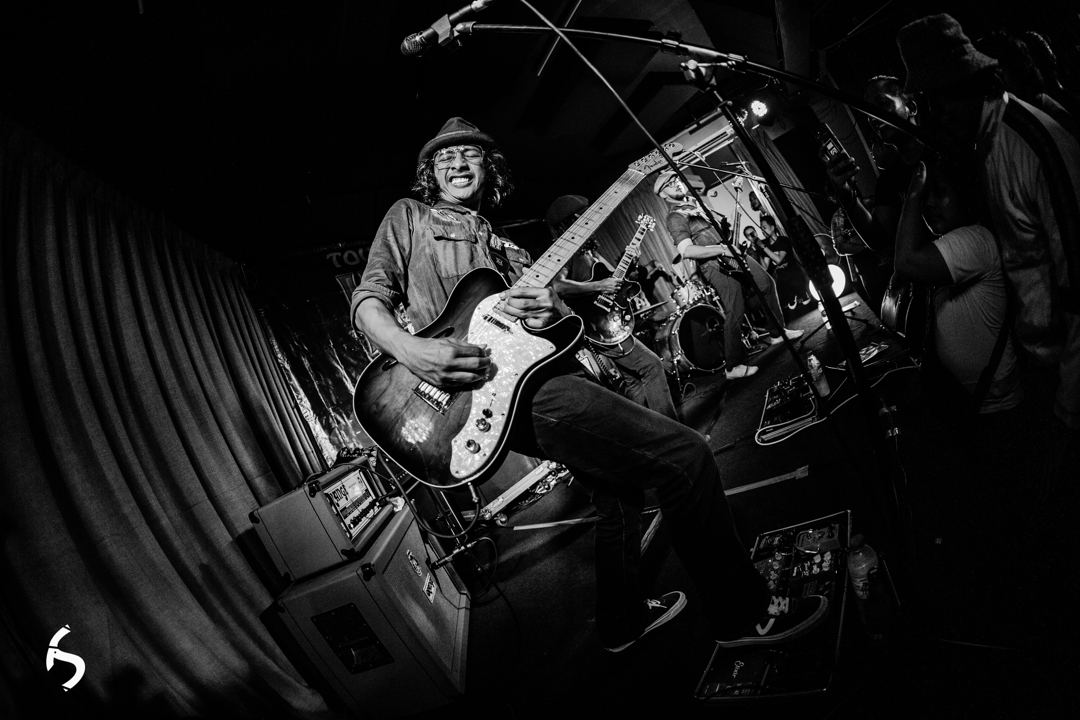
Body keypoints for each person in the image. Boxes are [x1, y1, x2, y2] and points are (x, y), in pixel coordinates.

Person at [351, 117, 827, 653]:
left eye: (470, 155)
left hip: (529, 377)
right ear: (430, 173)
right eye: (445, 157)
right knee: (686, 456)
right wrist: (410, 349)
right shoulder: (410, 215)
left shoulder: (504, 247)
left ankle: (620, 621)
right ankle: (743, 613)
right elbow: (369, 298)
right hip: (493, 395)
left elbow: (547, 317)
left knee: (617, 495)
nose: (457, 163)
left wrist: (551, 306)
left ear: (490, 168)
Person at [897, 14, 1080, 431]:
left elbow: (1077, 283)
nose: (937, 114)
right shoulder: (986, 144)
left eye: (941, 99)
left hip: (1067, 372)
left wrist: (1071, 405)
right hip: (1043, 366)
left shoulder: (1032, 145)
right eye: (928, 102)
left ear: (972, 84)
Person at [894, 157, 1023, 414]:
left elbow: (906, 262)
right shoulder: (948, 243)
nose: (928, 203)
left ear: (964, 196)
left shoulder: (975, 238)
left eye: (940, 192)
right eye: (925, 196)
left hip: (996, 407)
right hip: (973, 401)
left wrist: (915, 190)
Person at [655, 171, 804, 380]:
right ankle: (732, 367)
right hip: (714, 265)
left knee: (766, 284)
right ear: (663, 194)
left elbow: (721, 231)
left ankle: (777, 333)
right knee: (735, 309)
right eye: (669, 184)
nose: (676, 183)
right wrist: (722, 249)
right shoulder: (675, 217)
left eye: (676, 179)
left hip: (732, 254)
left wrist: (736, 195)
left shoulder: (694, 204)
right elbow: (687, 251)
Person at [546, 195, 679, 421]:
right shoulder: (565, 252)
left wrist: (631, 262)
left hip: (608, 322)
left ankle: (645, 434)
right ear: (574, 220)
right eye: (586, 216)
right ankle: (675, 433)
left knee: (633, 382)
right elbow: (558, 286)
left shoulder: (589, 251)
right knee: (651, 366)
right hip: (597, 325)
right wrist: (600, 285)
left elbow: (616, 283)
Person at [825, 75, 925, 310]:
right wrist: (847, 195)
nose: (872, 117)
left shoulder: (941, 151)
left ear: (910, 107)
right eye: (868, 112)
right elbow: (879, 240)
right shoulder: (888, 181)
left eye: (882, 104)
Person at [759, 215, 813, 310]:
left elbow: (778, 259)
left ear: (772, 227)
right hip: (782, 279)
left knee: (805, 300)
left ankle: (802, 292)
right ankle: (792, 296)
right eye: (761, 228)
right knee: (787, 301)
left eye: (764, 227)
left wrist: (763, 247)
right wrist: (759, 251)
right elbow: (765, 267)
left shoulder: (783, 240)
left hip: (794, 274)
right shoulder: (766, 246)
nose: (762, 231)